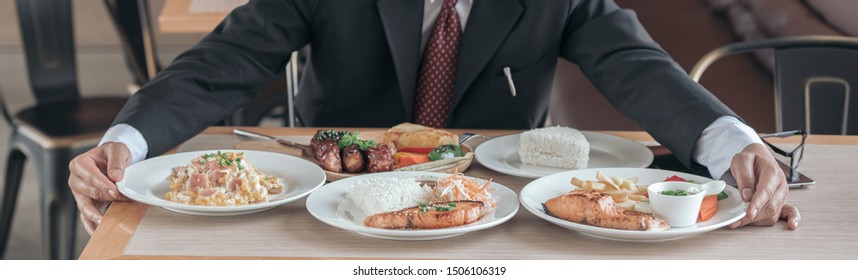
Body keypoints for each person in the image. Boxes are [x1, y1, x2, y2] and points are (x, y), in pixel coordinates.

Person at [69, 0, 800, 234]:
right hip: (326, 206)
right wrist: (123, 143)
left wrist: (731, 142)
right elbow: (217, 66)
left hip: (499, 210)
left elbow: (639, 68)